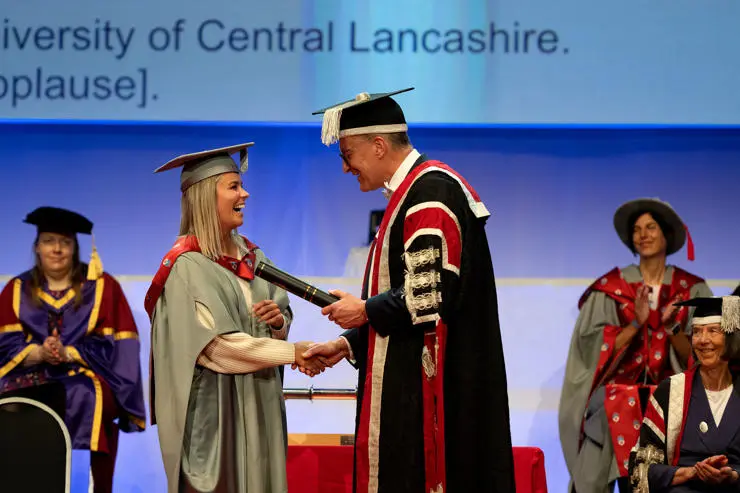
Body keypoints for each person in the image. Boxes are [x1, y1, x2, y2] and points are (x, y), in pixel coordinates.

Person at [301, 88, 515, 493]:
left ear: (378, 145)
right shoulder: (414, 192)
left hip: (435, 398)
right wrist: (348, 344)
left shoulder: (429, 194)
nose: (346, 168)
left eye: (346, 154)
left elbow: (427, 297)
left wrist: (364, 311)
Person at [145, 142, 325, 493]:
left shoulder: (253, 256)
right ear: (203, 197)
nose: (245, 193)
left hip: (259, 406)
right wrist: (292, 352)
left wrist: (278, 325)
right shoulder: (187, 266)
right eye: (233, 186)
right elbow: (217, 348)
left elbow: (282, 311)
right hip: (216, 415)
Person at [559, 198, 713, 493]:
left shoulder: (692, 290)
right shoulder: (611, 289)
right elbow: (591, 351)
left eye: (651, 227)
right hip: (614, 402)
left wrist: (672, 329)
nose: (643, 234)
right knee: (591, 469)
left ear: (666, 235)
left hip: (673, 401)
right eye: (637, 229)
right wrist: (634, 324)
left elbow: (702, 358)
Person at [0, 206, 146, 493]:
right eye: (49, 241)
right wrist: (38, 352)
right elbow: (5, 343)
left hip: (87, 374)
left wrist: (69, 353)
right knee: (12, 401)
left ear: (75, 248)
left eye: (65, 243)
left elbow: (118, 345)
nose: (57, 250)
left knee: (88, 395)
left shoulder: (103, 287)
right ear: (37, 247)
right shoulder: (17, 289)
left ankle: (96, 488)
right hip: (30, 371)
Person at [629, 295, 740, 493]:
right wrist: (691, 472)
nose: (703, 340)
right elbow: (642, 468)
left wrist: (733, 475)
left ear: (731, 337)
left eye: (713, 331)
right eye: (697, 332)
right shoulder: (671, 391)